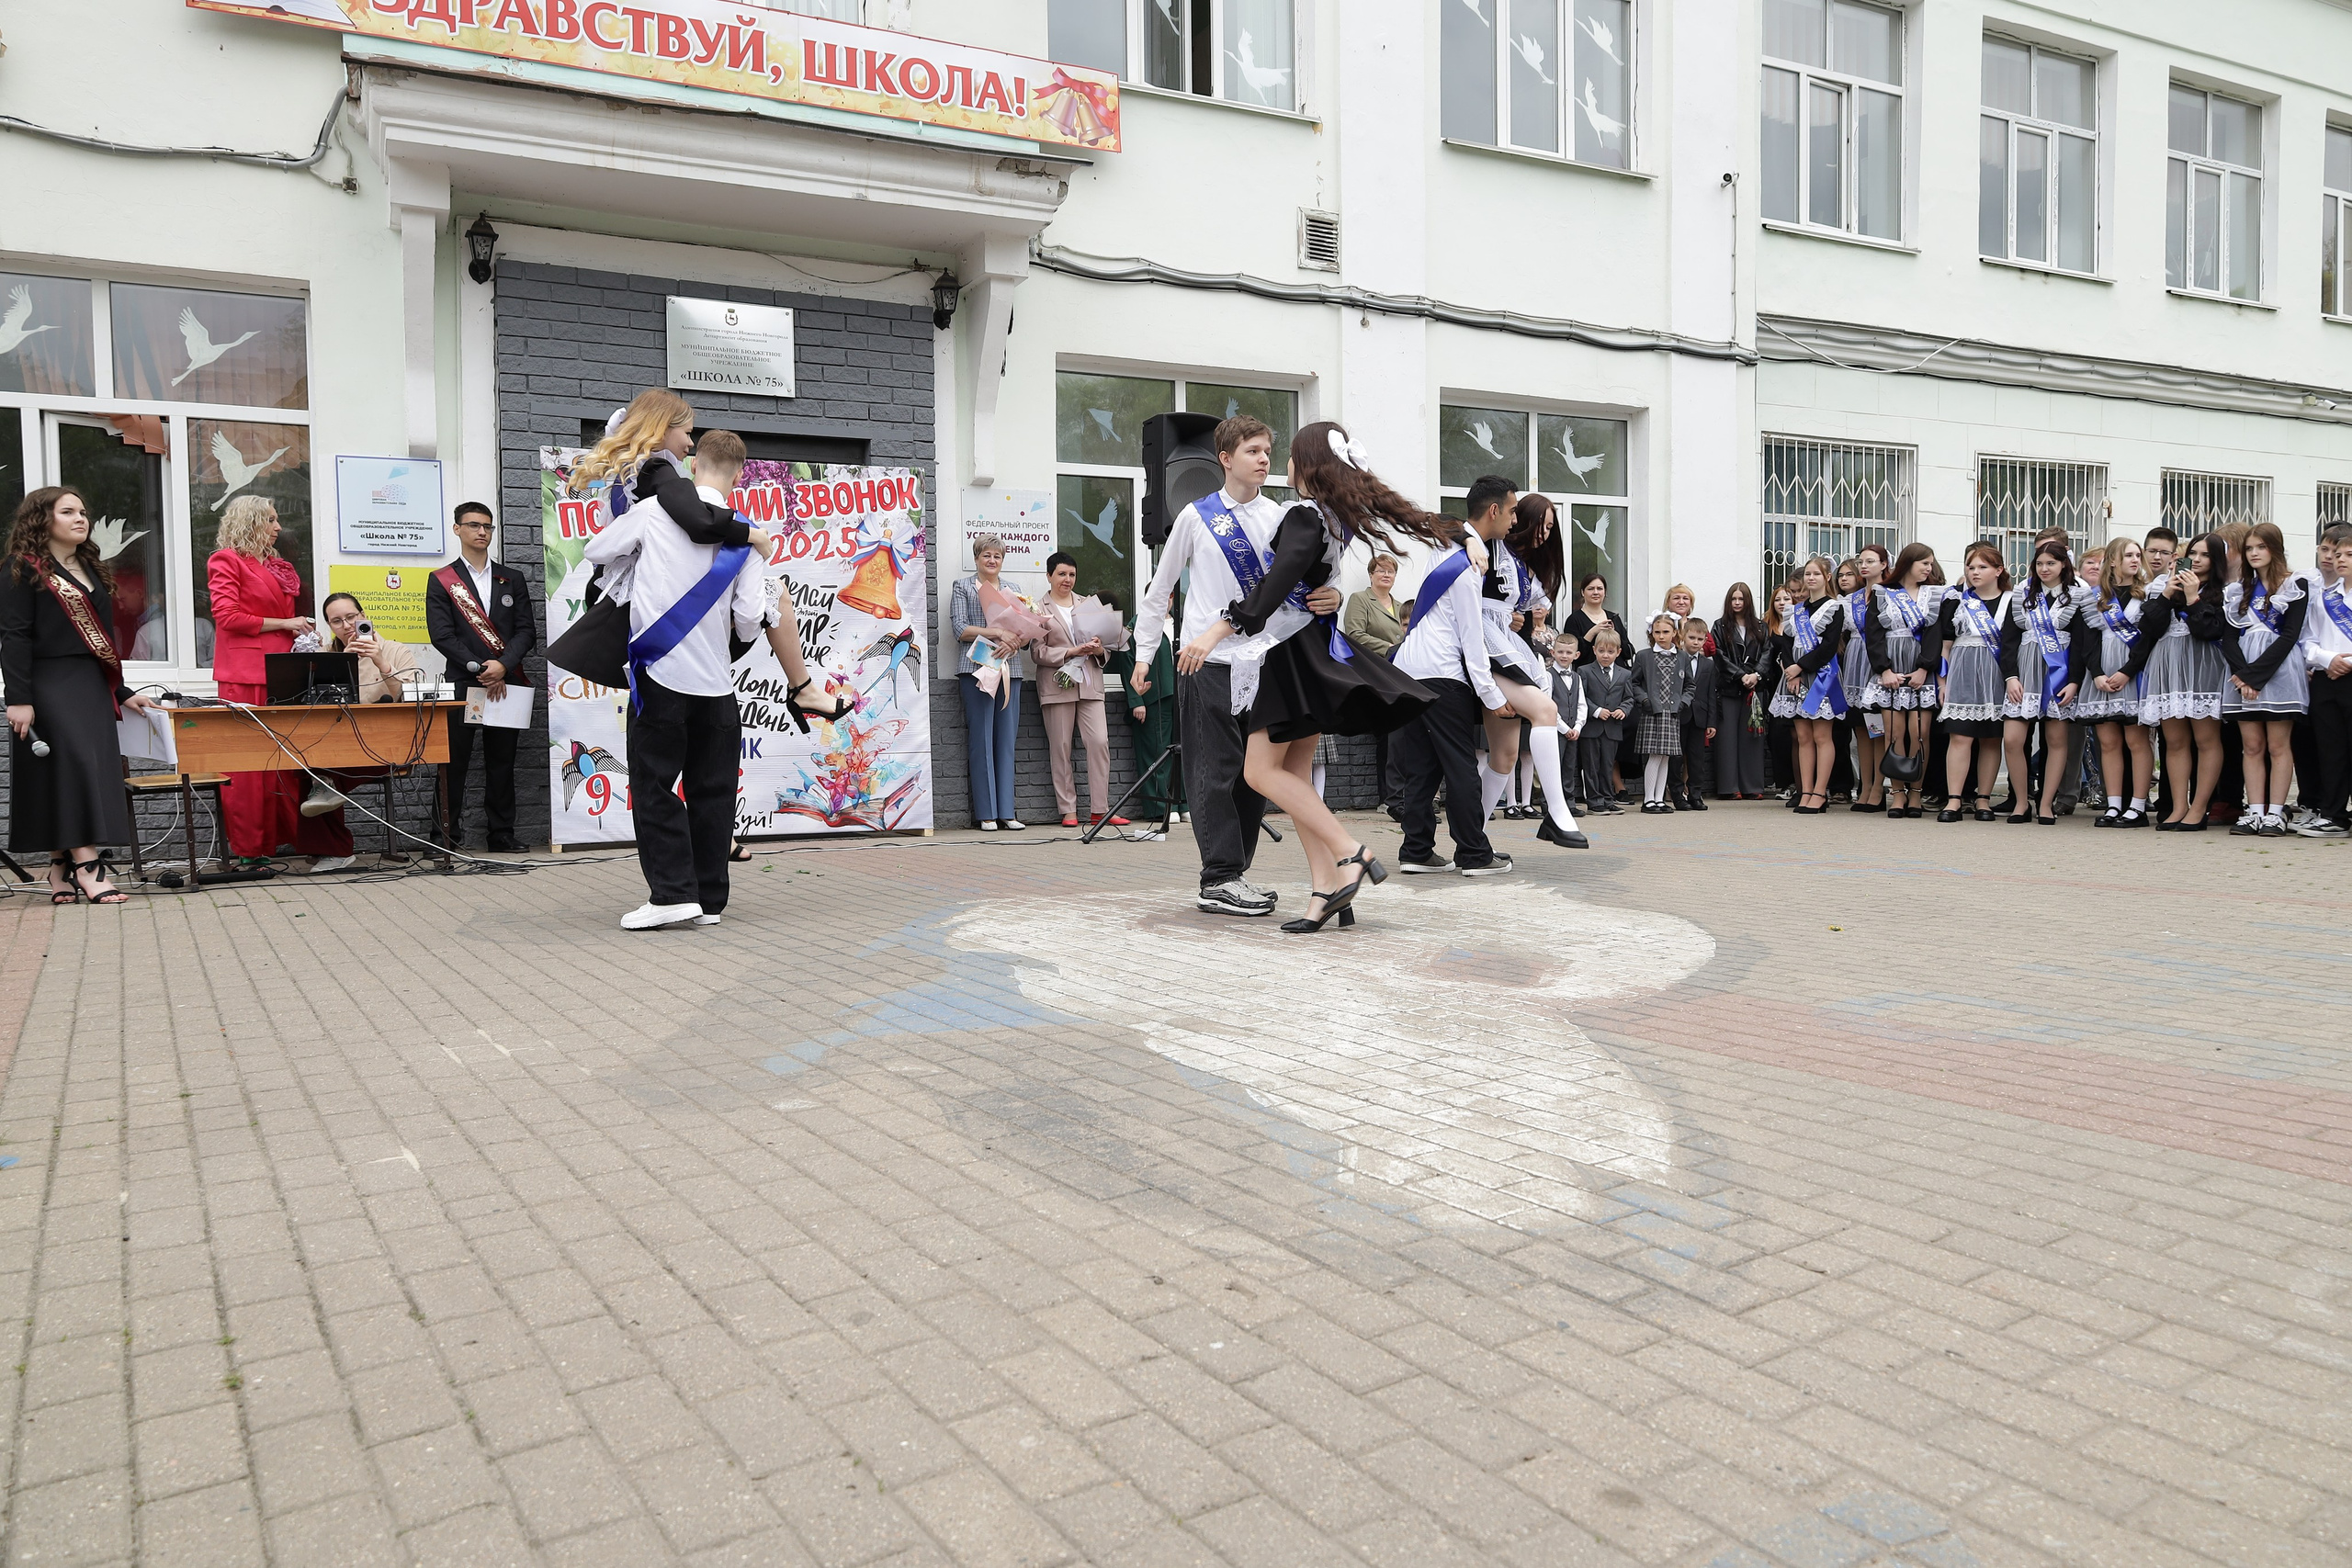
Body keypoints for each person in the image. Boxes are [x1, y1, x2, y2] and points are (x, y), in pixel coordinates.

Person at [1184, 422, 1448, 933]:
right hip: (1308, 650)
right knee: (1296, 778)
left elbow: (1276, 584)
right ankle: (1328, 889)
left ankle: (1351, 851)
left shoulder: (1305, 514)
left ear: (1303, 464)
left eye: (1281, 453)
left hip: (1286, 656)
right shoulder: (1334, 516)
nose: (1273, 461)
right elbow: (1310, 581)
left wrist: (1215, 630)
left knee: (1260, 774)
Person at [1134, 415, 1343, 916]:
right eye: (1252, 450)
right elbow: (1160, 590)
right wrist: (1143, 655)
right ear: (1225, 459)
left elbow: (1305, 583)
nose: (1264, 458)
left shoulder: (1281, 516)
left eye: (1268, 450)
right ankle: (1219, 877)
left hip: (1266, 661)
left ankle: (1236, 873)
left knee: (1255, 773)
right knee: (1214, 769)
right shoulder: (1195, 517)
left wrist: (1333, 596)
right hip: (1206, 661)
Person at [582, 429, 770, 929]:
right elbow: (751, 617)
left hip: (662, 677)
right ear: (741, 472)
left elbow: (595, 551)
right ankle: (709, 900)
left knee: (654, 786)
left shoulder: (652, 512)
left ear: (694, 466)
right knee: (714, 792)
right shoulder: (749, 535)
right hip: (718, 687)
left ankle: (671, 895)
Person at [3, 487, 161, 904]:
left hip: (90, 683)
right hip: (47, 682)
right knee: (71, 768)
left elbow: (102, 640)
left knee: (81, 771)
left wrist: (124, 692)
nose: (81, 518)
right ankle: (89, 866)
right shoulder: (23, 567)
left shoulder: (91, 565)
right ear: (43, 518)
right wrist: (16, 697)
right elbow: (14, 636)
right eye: (68, 511)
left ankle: (60, 870)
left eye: (83, 511)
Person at [207, 493, 352, 870]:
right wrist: (287, 624)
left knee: (283, 765)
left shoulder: (276, 565)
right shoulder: (226, 560)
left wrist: (302, 636)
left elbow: (282, 619)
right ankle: (249, 850)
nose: (278, 527)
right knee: (247, 768)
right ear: (252, 522)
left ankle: (278, 842)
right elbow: (227, 616)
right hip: (244, 676)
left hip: (283, 673)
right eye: (271, 519)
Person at [1391, 477, 1521, 876]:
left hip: (1408, 672)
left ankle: (1416, 850)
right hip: (1443, 674)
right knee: (1462, 767)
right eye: (1513, 511)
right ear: (1494, 510)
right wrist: (1492, 695)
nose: (1515, 520)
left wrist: (1467, 536)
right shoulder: (1469, 565)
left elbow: (1437, 520)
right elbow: (1471, 636)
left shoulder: (1444, 545)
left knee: (1423, 766)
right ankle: (1474, 854)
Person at [1473, 493, 1587, 847]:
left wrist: (1516, 621)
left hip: (1500, 643)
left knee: (1505, 758)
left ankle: (1472, 839)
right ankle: (1557, 810)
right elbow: (1445, 526)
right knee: (1546, 710)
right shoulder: (1487, 545)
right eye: (1543, 525)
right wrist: (1465, 538)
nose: (1545, 534)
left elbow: (1518, 617)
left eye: (1551, 529)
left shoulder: (1523, 566)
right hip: (1479, 642)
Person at [424, 501, 538, 852]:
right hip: (464, 682)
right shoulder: (442, 580)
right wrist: (480, 668)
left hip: (507, 682)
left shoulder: (512, 578)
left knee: (502, 762)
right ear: (457, 529)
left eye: (487, 526)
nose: (481, 532)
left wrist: (503, 665)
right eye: (473, 525)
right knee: (453, 761)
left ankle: (501, 835)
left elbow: (526, 631)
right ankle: (442, 837)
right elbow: (442, 635)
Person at [2219, 522, 2311, 837]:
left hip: (2279, 670)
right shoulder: (2237, 590)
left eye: (2261, 547)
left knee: (2277, 744)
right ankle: (2254, 810)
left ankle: (2276, 812)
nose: (2255, 553)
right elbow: (2229, 639)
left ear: (2275, 549)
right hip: (2243, 673)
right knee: (2252, 745)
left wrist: (2255, 677)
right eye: (2249, 548)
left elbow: (2289, 636)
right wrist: (2243, 676)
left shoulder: (2294, 585)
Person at [1999, 540, 2093, 826]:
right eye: (2039, 563)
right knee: (2013, 739)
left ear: (2064, 564)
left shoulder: (2077, 595)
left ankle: (2046, 803)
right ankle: (2020, 802)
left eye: (2050, 563)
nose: (2044, 569)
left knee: (2056, 740)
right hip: (2024, 674)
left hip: (2059, 675)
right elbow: (2009, 639)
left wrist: (2075, 681)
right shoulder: (2022, 594)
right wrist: (2011, 676)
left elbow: (2082, 643)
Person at [1032, 551, 1124, 829]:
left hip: (1090, 683)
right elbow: (1037, 652)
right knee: (1061, 747)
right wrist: (1071, 651)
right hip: (1057, 685)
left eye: (1071, 574)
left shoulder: (1088, 604)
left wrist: (1098, 650)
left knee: (1099, 742)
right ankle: (1068, 809)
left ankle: (1100, 810)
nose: (1067, 579)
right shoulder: (1038, 609)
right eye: (1061, 574)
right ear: (1049, 576)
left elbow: (1106, 647)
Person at [949, 536, 1028, 832]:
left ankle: (1007, 811)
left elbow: (1023, 630)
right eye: (986, 556)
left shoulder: (1014, 590)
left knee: (1006, 741)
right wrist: (996, 633)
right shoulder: (963, 587)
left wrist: (1014, 640)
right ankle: (986, 813)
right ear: (977, 558)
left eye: (997, 556)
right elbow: (959, 628)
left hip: (1011, 669)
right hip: (976, 669)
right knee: (981, 741)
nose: (992, 561)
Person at [2079, 537, 2154, 829]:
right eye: (2128, 555)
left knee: (2137, 741)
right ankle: (2113, 805)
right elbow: (2088, 641)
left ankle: (2137, 806)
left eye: (2138, 555)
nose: (2135, 560)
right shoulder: (2096, 598)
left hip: (2132, 674)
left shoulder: (2146, 595)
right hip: (2102, 677)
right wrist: (2096, 672)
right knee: (2108, 743)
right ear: (2113, 561)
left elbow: (2147, 640)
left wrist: (2128, 671)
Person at [1865, 545, 1940, 818]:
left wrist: (1924, 669)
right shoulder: (1883, 592)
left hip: (1920, 672)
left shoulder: (1933, 594)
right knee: (1894, 732)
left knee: (1919, 733)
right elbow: (1873, 634)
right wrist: (1883, 670)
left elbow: (1935, 634)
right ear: (1909, 563)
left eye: (1931, 564)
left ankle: (1916, 793)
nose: (1928, 569)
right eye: (1924, 563)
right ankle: (1897, 793)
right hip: (1891, 670)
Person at [1771, 556, 1849, 814]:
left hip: (1820, 675)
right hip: (1794, 677)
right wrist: (1791, 671)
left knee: (1821, 736)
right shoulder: (1796, 609)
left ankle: (1819, 792)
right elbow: (1785, 644)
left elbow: (1828, 647)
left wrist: (1801, 667)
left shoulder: (1835, 608)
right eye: (1807, 574)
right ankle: (1805, 790)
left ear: (1827, 577)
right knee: (1803, 737)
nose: (1810, 578)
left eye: (1816, 573)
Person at [1341, 552, 1410, 807]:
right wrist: (1390, 648)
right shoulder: (1360, 599)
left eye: (1390, 571)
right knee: (1388, 735)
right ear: (1371, 575)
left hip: (1399, 676)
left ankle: (1398, 795)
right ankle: (1387, 797)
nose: (1385, 575)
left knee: (1399, 735)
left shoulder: (1401, 604)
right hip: (1374, 674)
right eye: (1380, 570)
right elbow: (1355, 633)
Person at [2298, 524, 2352, 840]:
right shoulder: (2324, 598)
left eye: (2348, 554)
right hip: (2326, 679)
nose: (2339, 559)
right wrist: (2326, 660)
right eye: (2337, 553)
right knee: (2330, 749)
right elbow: (2308, 640)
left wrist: (2344, 662)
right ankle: (2333, 813)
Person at [1112, 606, 1182, 826]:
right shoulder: (1138, 625)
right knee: (1155, 751)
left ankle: (1183, 803)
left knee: (1181, 751)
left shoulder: (1180, 622)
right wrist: (1136, 700)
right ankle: (1160, 806)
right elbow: (1128, 661)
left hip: (1179, 694)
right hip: (1153, 697)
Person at [1710, 583, 1770, 800]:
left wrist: (1756, 675)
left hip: (1754, 689)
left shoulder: (1761, 627)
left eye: (1741, 599)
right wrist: (1740, 675)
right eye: (1733, 599)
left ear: (1748, 602)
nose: (1737, 603)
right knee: (1726, 739)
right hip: (1728, 688)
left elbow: (1767, 654)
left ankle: (1752, 786)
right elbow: (1718, 654)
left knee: (1752, 737)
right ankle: (1729, 787)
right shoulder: (1720, 626)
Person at [1627, 615, 1689, 814]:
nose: (1661, 636)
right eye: (1657, 632)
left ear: (1675, 633)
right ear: (1651, 633)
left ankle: (1660, 799)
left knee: (1666, 757)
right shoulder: (1644, 656)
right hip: (1652, 712)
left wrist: (1682, 703)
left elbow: (1690, 685)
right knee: (1654, 756)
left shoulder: (1682, 656)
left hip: (1672, 713)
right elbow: (1633, 682)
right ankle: (1648, 800)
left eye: (1665, 632)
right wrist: (1644, 700)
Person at [1577, 627, 1632, 816]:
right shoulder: (1584, 670)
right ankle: (1594, 801)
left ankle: (1608, 799)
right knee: (1591, 765)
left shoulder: (1625, 674)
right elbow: (1581, 696)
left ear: (1618, 652)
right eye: (1601, 651)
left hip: (1612, 728)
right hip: (1591, 728)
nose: (1605, 655)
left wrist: (1623, 710)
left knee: (1607, 765)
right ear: (1594, 650)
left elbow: (1629, 699)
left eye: (1610, 652)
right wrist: (1597, 710)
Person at [1675, 616, 1716, 809]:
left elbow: (1711, 695)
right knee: (1676, 757)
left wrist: (1711, 722)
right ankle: (1676, 794)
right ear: (1683, 637)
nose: (1696, 642)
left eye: (1700, 639)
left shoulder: (1708, 664)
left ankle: (1695, 794)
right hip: (1679, 715)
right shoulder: (1675, 659)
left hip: (1699, 717)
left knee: (1697, 758)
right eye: (1692, 638)